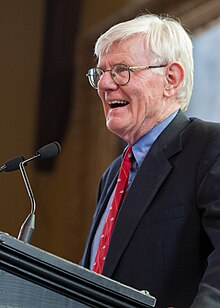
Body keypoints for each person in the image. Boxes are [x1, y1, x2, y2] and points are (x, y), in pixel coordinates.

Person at [80, 13, 220, 307]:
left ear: (171, 79)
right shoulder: (113, 175)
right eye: (101, 73)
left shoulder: (210, 146)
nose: (105, 84)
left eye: (121, 70)